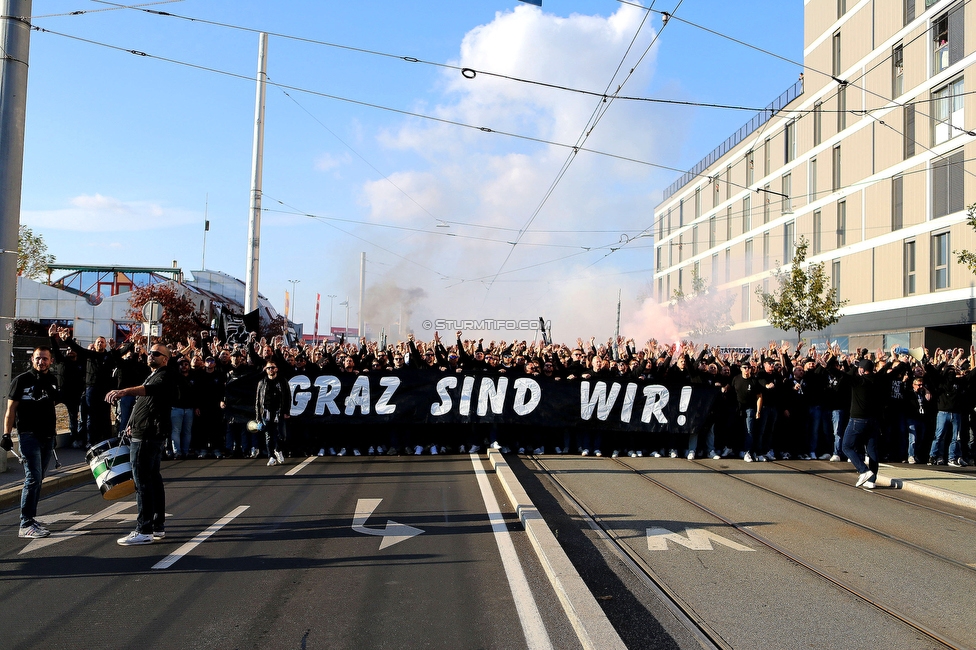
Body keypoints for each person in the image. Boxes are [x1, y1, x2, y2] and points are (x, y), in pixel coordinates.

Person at [106, 343, 178, 546]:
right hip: (144, 432)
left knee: (143, 482)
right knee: (153, 480)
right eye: (150, 352)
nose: (151, 355)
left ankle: (144, 529)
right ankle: (157, 525)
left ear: (165, 358)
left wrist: (124, 391)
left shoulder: (165, 375)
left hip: (147, 436)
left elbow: (149, 391)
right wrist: (133, 424)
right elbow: (148, 404)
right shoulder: (154, 373)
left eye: (156, 354)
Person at [4, 336, 61, 539]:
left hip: (47, 436)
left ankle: (31, 519)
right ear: (32, 360)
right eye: (38, 358)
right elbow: (10, 410)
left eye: (45, 359)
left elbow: (52, 405)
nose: (41, 362)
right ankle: (25, 523)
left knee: (38, 479)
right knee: (33, 477)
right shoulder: (21, 381)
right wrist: (6, 434)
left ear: (50, 361)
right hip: (28, 435)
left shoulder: (53, 381)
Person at [255, 361, 290, 466]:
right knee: (268, 436)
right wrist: (258, 417)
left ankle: (278, 450)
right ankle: (271, 456)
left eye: (272, 367)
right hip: (266, 412)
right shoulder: (262, 382)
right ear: (265, 369)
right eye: (268, 368)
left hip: (279, 411)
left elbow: (288, 396)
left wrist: (287, 411)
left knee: (282, 435)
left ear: (276, 369)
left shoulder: (282, 381)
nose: (270, 370)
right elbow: (258, 401)